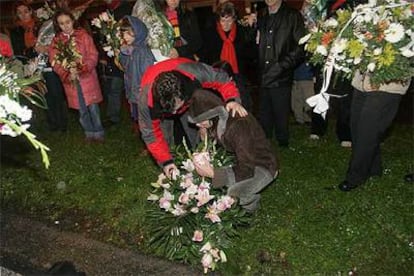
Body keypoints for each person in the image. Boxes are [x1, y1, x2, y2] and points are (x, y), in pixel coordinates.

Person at [138, 57, 247, 177]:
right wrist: (166, 162)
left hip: (190, 99)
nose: (174, 113)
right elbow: (151, 135)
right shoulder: (146, 102)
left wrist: (231, 99)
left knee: (200, 131)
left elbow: (221, 78)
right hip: (160, 108)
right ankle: (171, 171)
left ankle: (205, 165)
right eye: (171, 110)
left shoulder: (194, 73)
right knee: (164, 139)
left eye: (177, 108)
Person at [188, 90, 278, 212]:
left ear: (212, 114)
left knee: (234, 192)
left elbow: (247, 168)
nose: (198, 125)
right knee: (215, 185)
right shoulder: (217, 120)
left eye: (200, 121)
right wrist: (204, 143)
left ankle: (251, 209)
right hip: (240, 159)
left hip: (262, 164)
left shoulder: (238, 126)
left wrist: (214, 174)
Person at [338, 73, 411, 192]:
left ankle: (355, 176)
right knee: (357, 127)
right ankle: (373, 169)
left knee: (367, 130)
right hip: (362, 81)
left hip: (388, 81)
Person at [11, 1, 68, 132]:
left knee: (56, 93)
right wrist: (33, 51)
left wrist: (46, 49)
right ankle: (52, 123)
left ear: (31, 11)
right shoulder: (16, 31)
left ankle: (62, 123)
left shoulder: (42, 25)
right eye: (19, 13)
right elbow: (18, 50)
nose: (23, 15)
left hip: (48, 64)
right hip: (30, 68)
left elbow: (54, 43)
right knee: (44, 95)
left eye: (26, 11)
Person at [256, 0, 306, 147]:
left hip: (281, 74)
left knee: (281, 113)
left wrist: (282, 66)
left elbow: (301, 46)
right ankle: (264, 141)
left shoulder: (292, 15)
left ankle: (283, 142)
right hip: (263, 73)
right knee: (264, 113)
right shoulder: (261, 15)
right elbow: (252, 44)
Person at [49, 9, 104, 142]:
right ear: (58, 25)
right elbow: (54, 62)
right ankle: (89, 132)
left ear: (73, 21)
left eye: (68, 22)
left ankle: (98, 131)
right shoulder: (56, 42)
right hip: (71, 81)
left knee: (93, 107)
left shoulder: (83, 36)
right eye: (61, 23)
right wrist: (67, 72)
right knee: (81, 108)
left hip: (87, 78)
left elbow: (93, 55)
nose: (65, 26)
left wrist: (82, 67)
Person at [202, 2, 256, 111]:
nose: (226, 24)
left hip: (238, 76)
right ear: (218, 20)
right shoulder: (210, 34)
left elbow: (251, 55)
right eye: (223, 20)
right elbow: (205, 57)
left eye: (229, 20)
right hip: (216, 77)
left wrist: (251, 31)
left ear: (234, 19)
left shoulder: (241, 32)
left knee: (243, 105)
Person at [97, 0, 131, 128]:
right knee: (114, 89)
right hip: (114, 58)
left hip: (129, 56)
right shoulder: (107, 12)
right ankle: (113, 117)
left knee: (131, 89)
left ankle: (137, 119)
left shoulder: (127, 8)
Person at [118, 16, 155, 127]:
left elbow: (147, 76)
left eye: (128, 33)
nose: (125, 37)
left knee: (148, 126)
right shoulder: (131, 50)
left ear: (138, 31)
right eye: (123, 34)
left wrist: (142, 94)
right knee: (141, 125)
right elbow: (126, 67)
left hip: (142, 97)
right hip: (135, 95)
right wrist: (122, 53)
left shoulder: (143, 52)